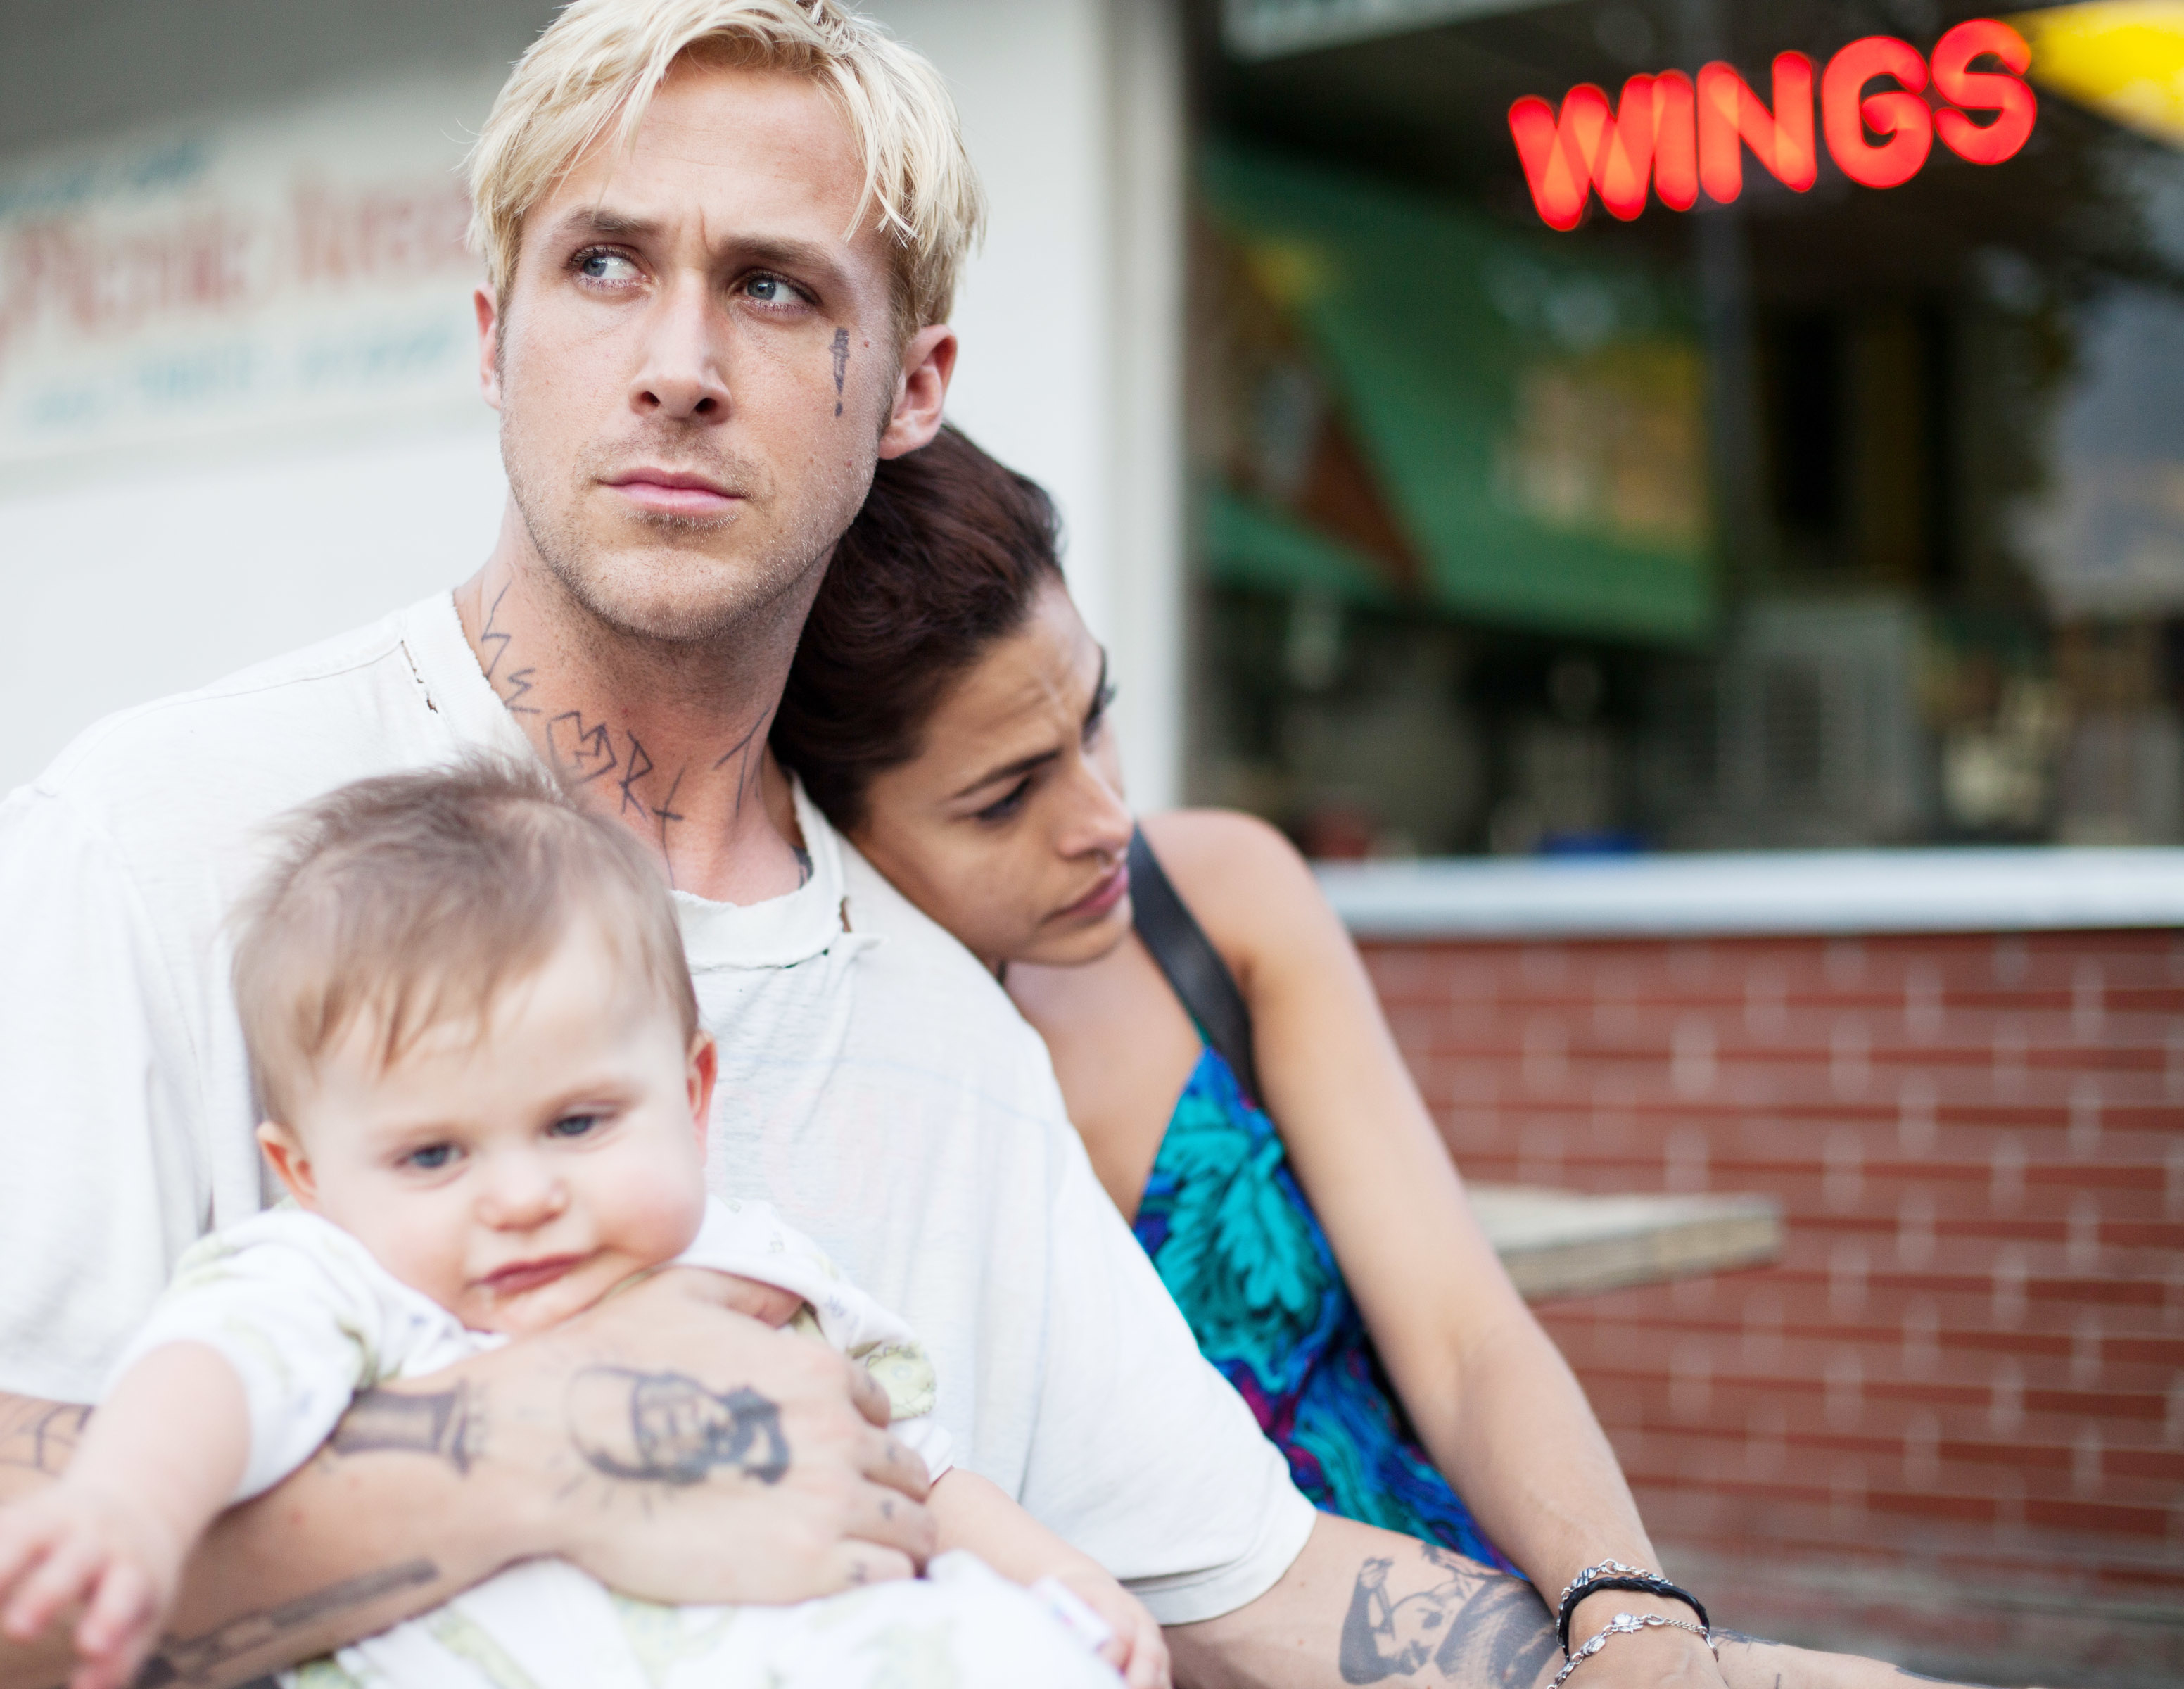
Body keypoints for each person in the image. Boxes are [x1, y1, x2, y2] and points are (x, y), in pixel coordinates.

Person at [0, 6, 1328, 1688]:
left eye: (776, 288)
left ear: (912, 388)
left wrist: (1627, 1629)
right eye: (603, 266)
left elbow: (1234, 1582)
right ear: (493, 332)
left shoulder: (948, 1029)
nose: (678, 361)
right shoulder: (149, 843)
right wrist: (555, 1452)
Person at [770, 426, 1995, 1689]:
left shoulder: (1217, 901)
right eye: (1005, 795)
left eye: (1098, 718)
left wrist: (1631, 1617)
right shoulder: (821, 1083)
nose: (1103, 818)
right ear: (833, 819)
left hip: (1479, 1628)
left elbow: (1462, 1331)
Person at [0, 760, 1162, 1689]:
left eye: (579, 1124)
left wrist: (1054, 1571)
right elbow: (209, 1375)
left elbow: (913, 1468)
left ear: (691, 1096)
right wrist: (128, 1505)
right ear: (307, 1173)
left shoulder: (747, 1269)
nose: (523, 1195)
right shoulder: (342, 1286)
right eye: (433, 1154)